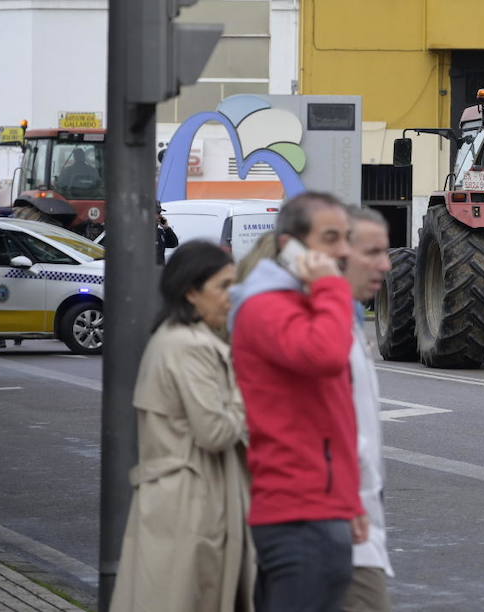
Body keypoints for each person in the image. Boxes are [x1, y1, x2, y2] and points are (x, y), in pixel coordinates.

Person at [228, 192, 367, 612]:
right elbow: (324, 357)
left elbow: (331, 415)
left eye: (346, 238)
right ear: (292, 246)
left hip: (321, 507)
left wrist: (349, 500)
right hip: (296, 515)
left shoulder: (298, 302)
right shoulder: (266, 305)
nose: (343, 251)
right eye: (330, 238)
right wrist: (331, 287)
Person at [112, 241, 256, 612]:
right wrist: (246, 389)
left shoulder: (181, 339)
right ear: (191, 291)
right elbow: (216, 432)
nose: (231, 297)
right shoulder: (189, 346)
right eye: (223, 287)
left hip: (185, 498)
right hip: (191, 504)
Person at [342, 208, 394, 612]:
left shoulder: (343, 321)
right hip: (338, 528)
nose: (387, 264)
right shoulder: (320, 327)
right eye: (373, 251)